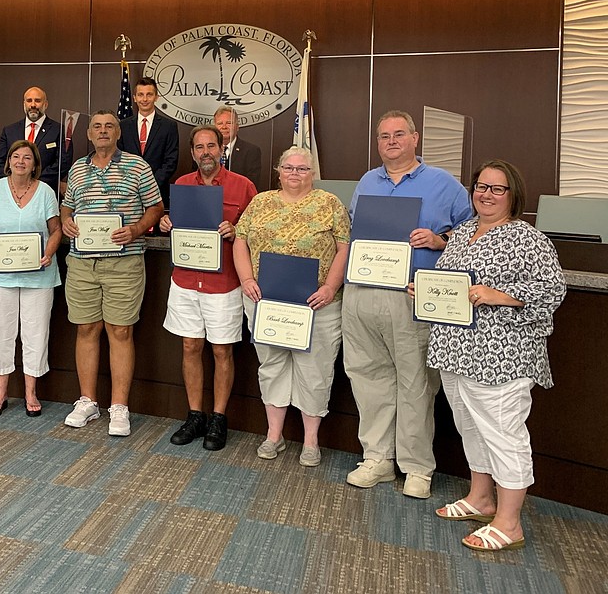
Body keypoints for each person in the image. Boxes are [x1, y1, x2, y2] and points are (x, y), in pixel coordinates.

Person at [424, 160, 565, 552]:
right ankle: (481, 499)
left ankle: (509, 522)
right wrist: (428, 293)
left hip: (502, 356)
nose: (485, 194)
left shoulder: (527, 238)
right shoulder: (463, 232)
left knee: (504, 435)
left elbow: (552, 291)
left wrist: (497, 295)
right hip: (455, 350)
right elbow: (452, 284)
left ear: (513, 194)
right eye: (480, 186)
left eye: (496, 189)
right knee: (471, 427)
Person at [342, 110, 472, 498]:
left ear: (415, 139)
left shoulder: (445, 185)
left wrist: (439, 241)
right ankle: (377, 459)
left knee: (416, 383)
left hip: (412, 295)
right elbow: (353, 230)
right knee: (368, 378)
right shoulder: (367, 181)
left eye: (399, 134)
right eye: (384, 136)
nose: (391, 141)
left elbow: (473, 235)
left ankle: (417, 467)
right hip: (363, 293)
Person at [233, 146, 350, 465]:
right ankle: (274, 435)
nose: (294, 174)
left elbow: (344, 247)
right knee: (272, 366)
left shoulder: (330, 204)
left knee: (315, 368)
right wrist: (245, 279)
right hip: (266, 302)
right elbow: (240, 240)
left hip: (317, 305)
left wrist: (330, 286)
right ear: (278, 171)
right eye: (288, 168)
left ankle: (311, 441)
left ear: (313, 174)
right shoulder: (260, 202)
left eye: (302, 169)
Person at [61, 110, 164, 436]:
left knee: (120, 332)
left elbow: (156, 208)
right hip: (82, 263)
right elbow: (68, 205)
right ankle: (88, 401)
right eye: (96, 127)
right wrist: (66, 220)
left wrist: (135, 230)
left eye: (109, 126)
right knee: (86, 329)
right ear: (89, 135)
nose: (102, 131)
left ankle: (119, 408)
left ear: (118, 133)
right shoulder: (77, 168)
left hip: (124, 262)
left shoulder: (137, 166)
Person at [159, 126, 256, 451]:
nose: (205, 152)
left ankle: (218, 417)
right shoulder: (183, 185)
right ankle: (195, 414)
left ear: (221, 148)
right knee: (190, 347)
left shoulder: (243, 187)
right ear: (193, 152)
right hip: (185, 281)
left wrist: (237, 229)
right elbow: (176, 226)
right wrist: (166, 223)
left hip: (223, 284)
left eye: (211, 146)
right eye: (199, 147)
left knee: (221, 350)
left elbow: (255, 235)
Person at [0, 139, 62, 417]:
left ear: (35, 164)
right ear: (9, 161)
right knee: (1, 332)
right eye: (16, 156)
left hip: (38, 275)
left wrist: (48, 253)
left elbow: (56, 230)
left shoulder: (46, 192)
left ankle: (30, 392)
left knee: (35, 334)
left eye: (27, 157)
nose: (21, 161)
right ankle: (0, 392)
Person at [0, 86, 70, 195]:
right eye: (29, 101)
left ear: (45, 104)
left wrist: (35, 184)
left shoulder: (60, 130)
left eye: (37, 101)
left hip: (45, 191)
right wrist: (14, 184)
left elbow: (63, 163)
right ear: (24, 104)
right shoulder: (9, 131)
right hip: (12, 192)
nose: (33, 105)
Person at [118, 77, 179, 207]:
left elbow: (171, 161)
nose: (144, 99)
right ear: (134, 97)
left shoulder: (169, 126)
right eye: (140, 95)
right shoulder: (123, 126)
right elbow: (119, 158)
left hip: (158, 193)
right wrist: (133, 184)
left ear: (156, 97)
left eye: (149, 94)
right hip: (128, 193)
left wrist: (149, 184)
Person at [214, 105, 263, 189]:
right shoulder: (206, 151)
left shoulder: (251, 151)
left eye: (229, 123)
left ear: (237, 127)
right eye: (220, 123)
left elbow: (251, 185)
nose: (224, 127)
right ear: (214, 127)